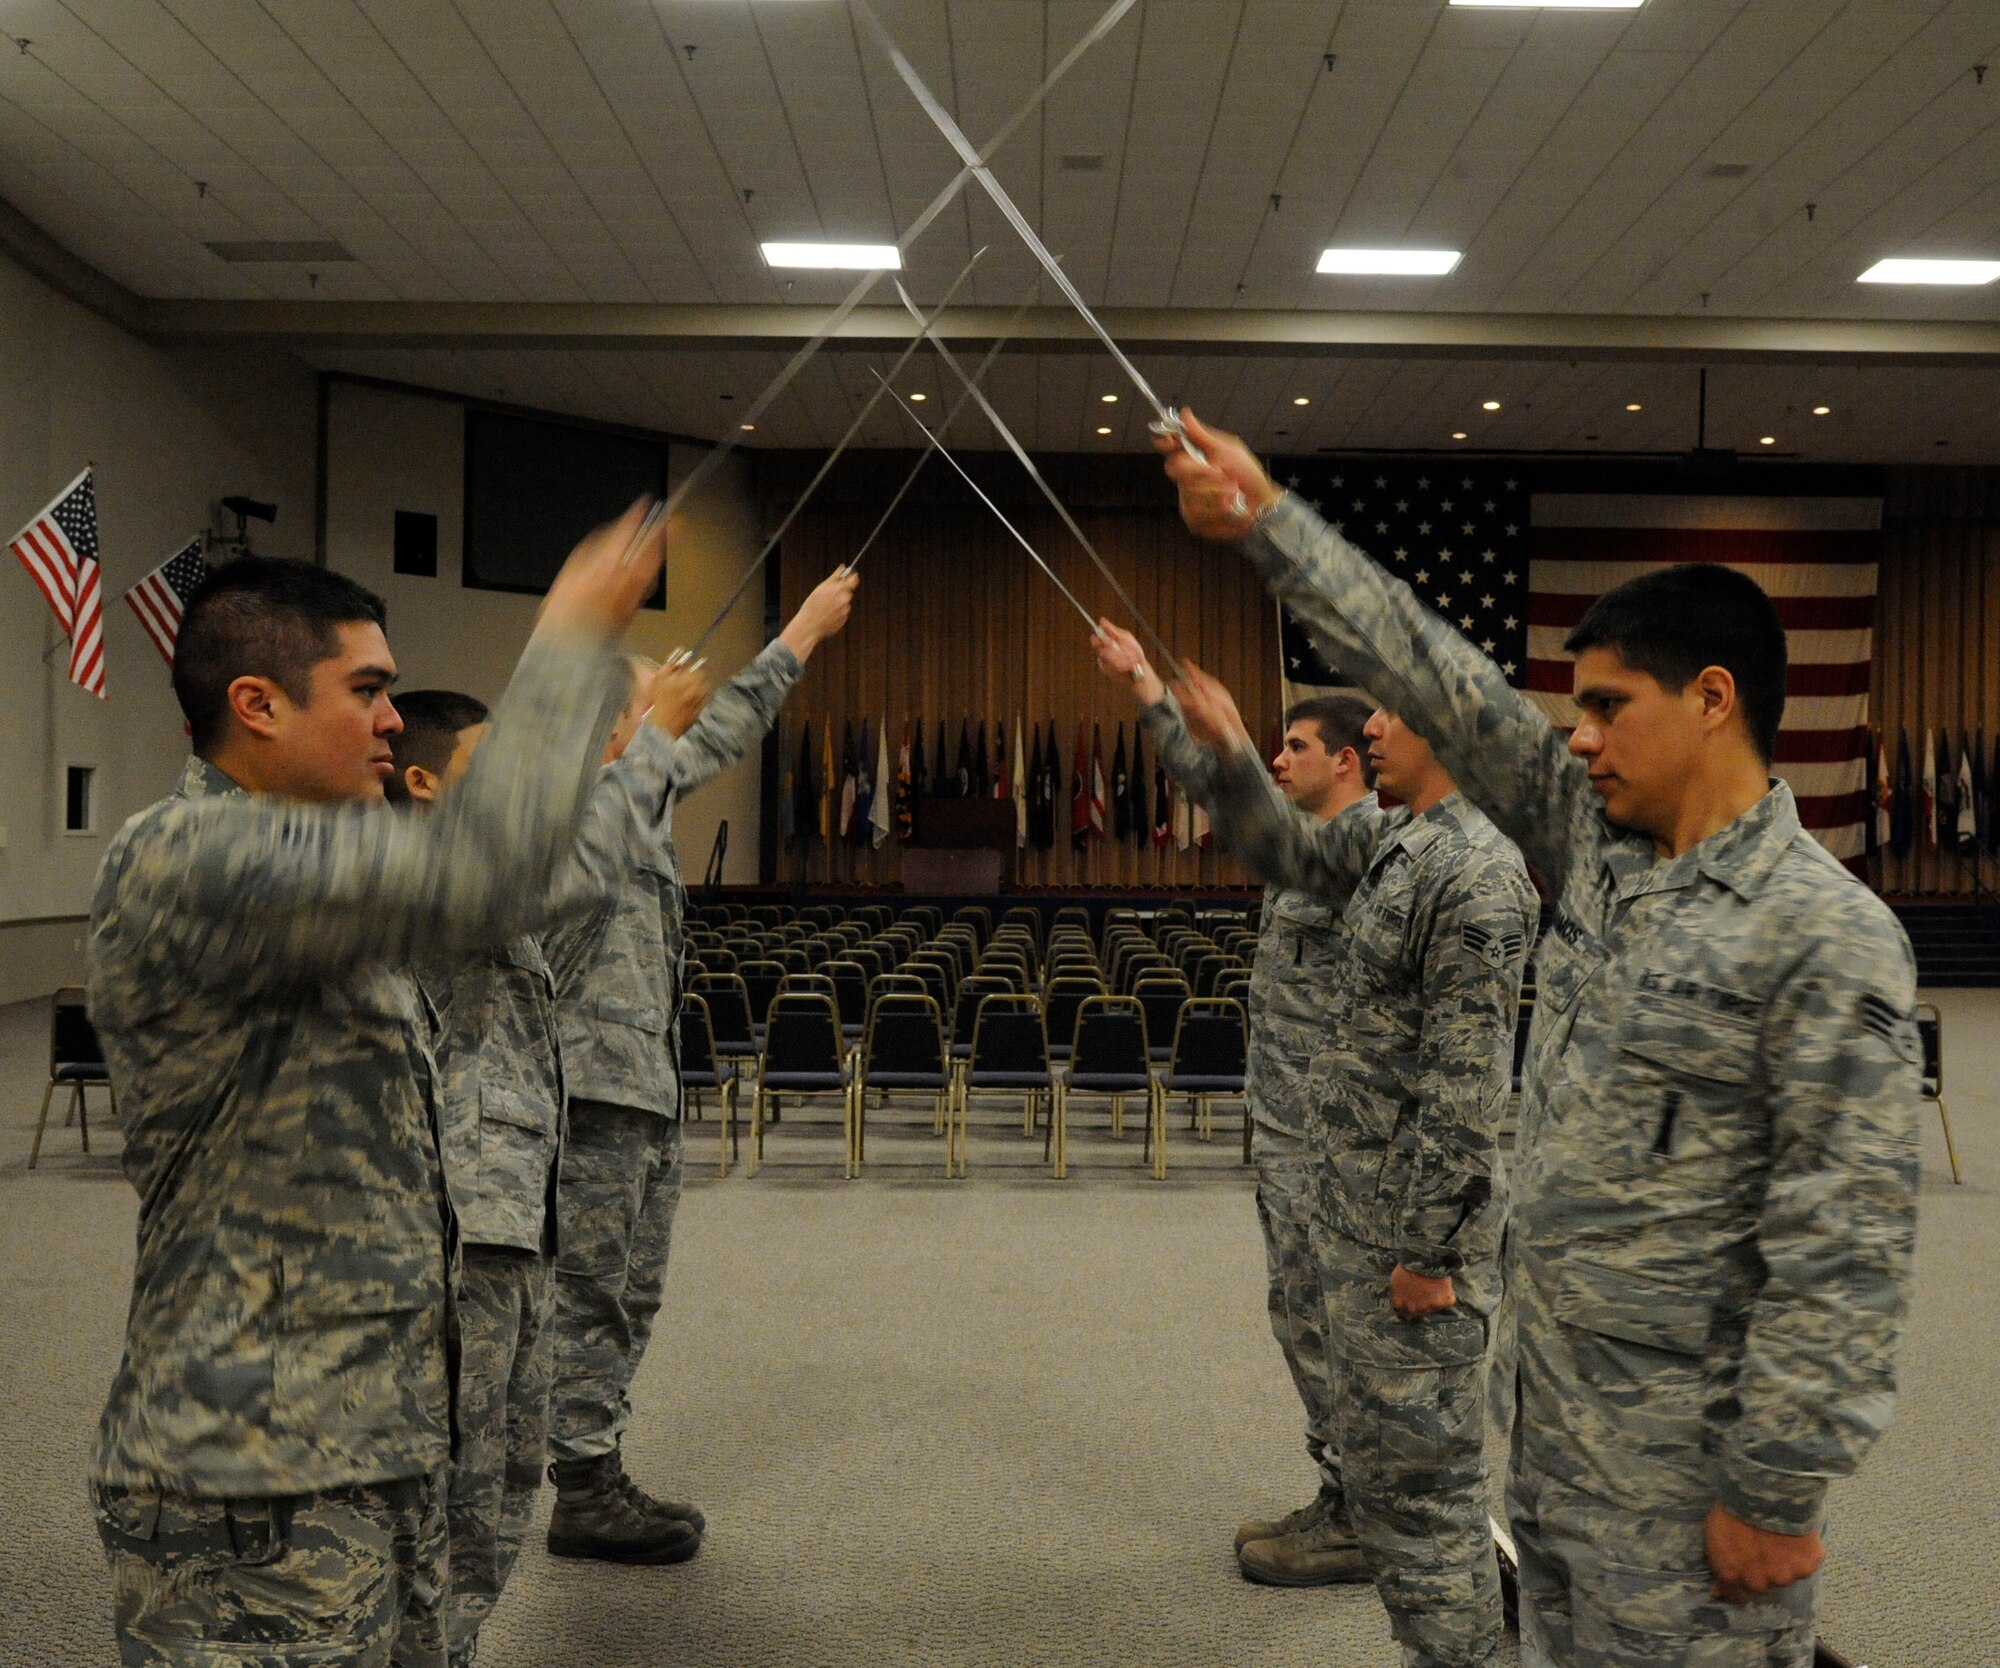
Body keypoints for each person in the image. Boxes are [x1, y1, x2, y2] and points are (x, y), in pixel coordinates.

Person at [1156, 410, 1922, 1668]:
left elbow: (1842, 1251)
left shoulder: (1822, 936)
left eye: (1610, 707)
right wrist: (1269, 526)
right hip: (1554, 1432)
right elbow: (1443, 675)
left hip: (1686, 1473)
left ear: (1712, 701)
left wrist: (1776, 1488)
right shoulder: (1598, 858)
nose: (1577, 736)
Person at [85, 504, 669, 1668]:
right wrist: (567, 641)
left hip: (367, 1443)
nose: (392, 719)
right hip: (252, 1476)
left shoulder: (319, 873)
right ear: (257, 705)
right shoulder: (186, 859)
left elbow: (530, 870)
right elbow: (488, 868)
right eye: (365, 689)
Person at [385, 664, 706, 1666]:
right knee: (460, 1475)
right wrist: (632, 726)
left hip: (517, 1181)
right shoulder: (428, 871)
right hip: (466, 1206)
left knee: (491, 1478)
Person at [542, 568, 859, 1565]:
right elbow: (710, 732)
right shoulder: (571, 810)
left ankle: (592, 1465)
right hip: (589, 1092)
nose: (669, 717)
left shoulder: (626, 802)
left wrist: (801, 633)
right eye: (644, 706)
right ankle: (578, 1485)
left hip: (639, 1089)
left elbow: (717, 731)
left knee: (631, 1290)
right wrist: (797, 632)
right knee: (589, 1293)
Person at [1093, 621, 1378, 1586]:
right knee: (1301, 1314)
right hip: (1296, 1128)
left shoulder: (1366, 846)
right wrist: (1147, 692)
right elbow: (1226, 791)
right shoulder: (1306, 837)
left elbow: (1240, 791)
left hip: (1343, 1141)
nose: (1279, 758)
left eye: (1295, 746)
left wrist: (1234, 750)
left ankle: (1368, 1513)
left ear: (1346, 761)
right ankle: (1345, 1492)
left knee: (1337, 1321)